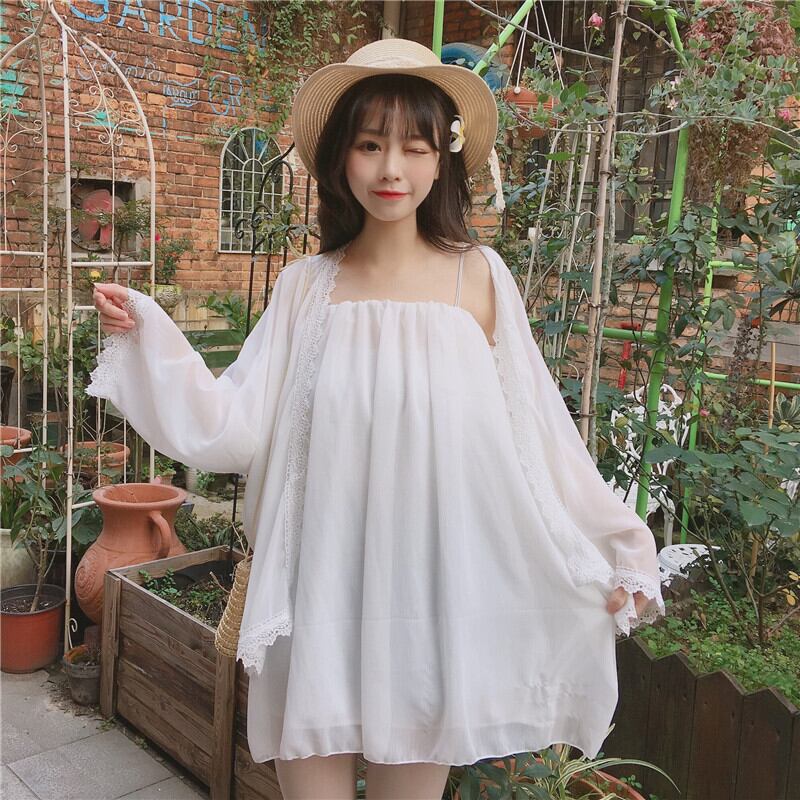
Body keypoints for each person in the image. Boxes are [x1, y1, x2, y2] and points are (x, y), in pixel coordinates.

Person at [89, 38, 665, 800]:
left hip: (428, 605)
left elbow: (538, 435)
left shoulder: (479, 278)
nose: (391, 169)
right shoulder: (306, 288)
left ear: (442, 158)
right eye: (369, 144)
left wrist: (618, 542)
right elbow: (235, 420)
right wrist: (149, 333)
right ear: (341, 157)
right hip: (318, 596)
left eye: (414, 147)